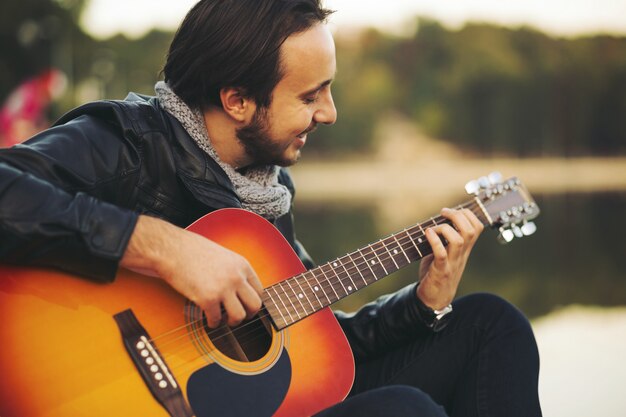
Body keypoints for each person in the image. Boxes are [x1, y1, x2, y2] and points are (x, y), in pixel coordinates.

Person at [0, 1, 542, 416]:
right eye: (311, 96)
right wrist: (160, 248)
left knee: (491, 325)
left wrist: (422, 305)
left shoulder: (262, 189)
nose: (329, 113)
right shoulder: (128, 144)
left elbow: (316, 346)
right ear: (237, 100)